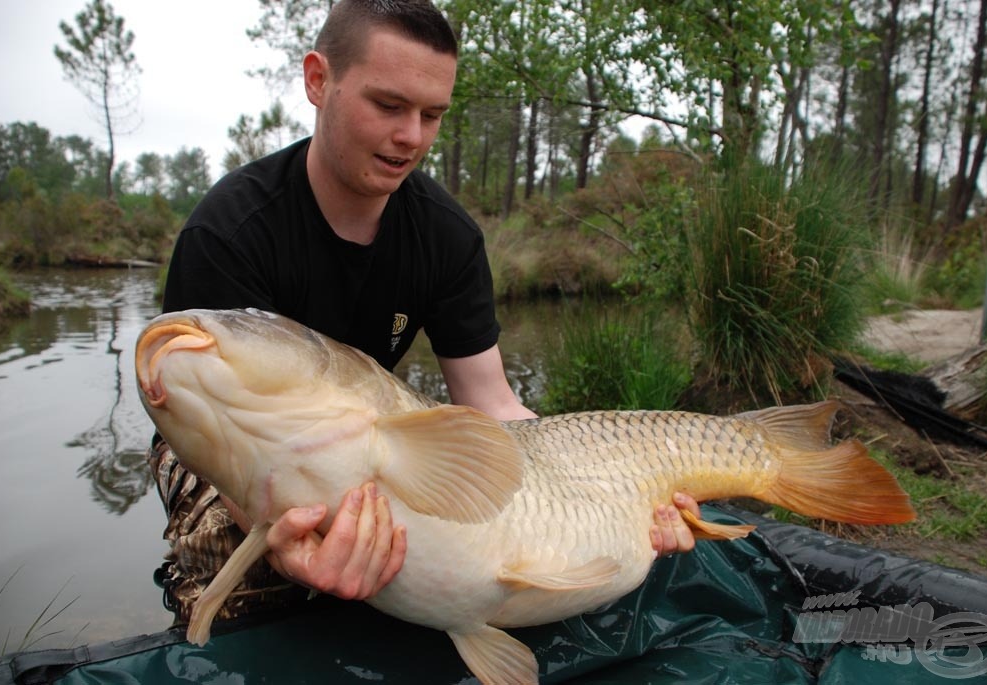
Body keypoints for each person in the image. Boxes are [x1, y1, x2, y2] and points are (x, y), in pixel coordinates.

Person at [149, 0, 701, 625]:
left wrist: (608, 494)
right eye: (388, 106)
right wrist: (284, 544)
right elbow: (213, 427)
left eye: (432, 114)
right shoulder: (230, 230)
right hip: (227, 434)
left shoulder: (446, 236)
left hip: (366, 422)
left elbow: (492, 406)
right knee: (251, 586)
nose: (412, 136)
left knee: (450, 553)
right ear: (318, 80)